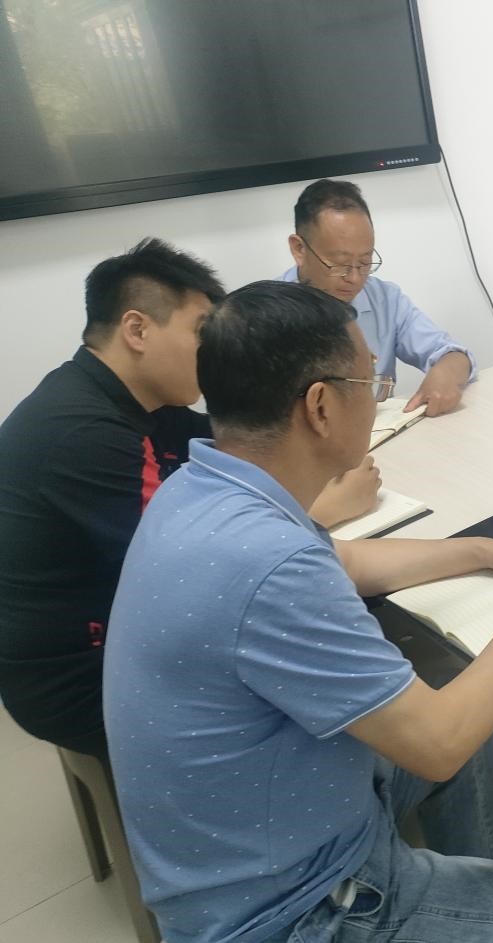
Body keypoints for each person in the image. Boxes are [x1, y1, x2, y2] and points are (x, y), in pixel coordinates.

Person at [102, 280, 493, 943]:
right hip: (290, 912)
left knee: (451, 696)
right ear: (320, 407)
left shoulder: (204, 486)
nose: (379, 395)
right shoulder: (271, 565)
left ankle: (471, 901)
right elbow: (439, 743)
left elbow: (349, 561)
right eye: (370, 382)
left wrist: (487, 550)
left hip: (251, 842)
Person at [0, 240, 379, 763]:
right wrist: (324, 508)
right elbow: (190, 562)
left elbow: (248, 443)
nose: (212, 350)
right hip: (81, 681)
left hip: (125, 631)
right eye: (202, 331)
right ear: (137, 330)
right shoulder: (83, 435)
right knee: (331, 672)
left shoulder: (138, 401)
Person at [281, 178, 474, 416]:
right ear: (299, 249)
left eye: (364, 262)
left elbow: (450, 353)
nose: (354, 278)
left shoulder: (385, 300)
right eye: (340, 264)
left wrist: (447, 371)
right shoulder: (263, 316)